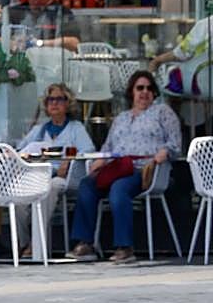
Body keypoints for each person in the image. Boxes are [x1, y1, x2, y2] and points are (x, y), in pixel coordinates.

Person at [66, 71, 181, 264]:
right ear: (132, 92)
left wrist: (164, 153)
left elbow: (175, 143)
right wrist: (99, 160)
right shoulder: (121, 117)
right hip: (117, 166)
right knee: (87, 184)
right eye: (140, 88)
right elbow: (108, 146)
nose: (144, 92)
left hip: (145, 169)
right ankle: (85, 244)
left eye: (149, 88)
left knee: (119, 187)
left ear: (154, 93)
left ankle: (124, 247)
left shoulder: (162, 112)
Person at [14, 84, 95, 255]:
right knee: (17, 199)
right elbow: (20, 151)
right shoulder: (39, 130)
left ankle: (37, 244)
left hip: (65, 177)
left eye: (59, 99)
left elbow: (88, 151)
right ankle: (25, 242)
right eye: (51, 99)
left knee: (50, 188)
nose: (54, 103)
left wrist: (69, 159)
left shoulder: (75, 128)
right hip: (38, 175)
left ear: (67, 103)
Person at [6, 0, 80, 52]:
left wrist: (39, 43)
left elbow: (74, 43)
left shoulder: (61, 12)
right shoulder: (16, 11)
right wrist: (12, 43)